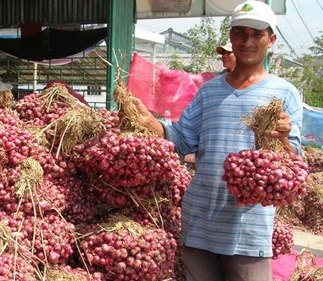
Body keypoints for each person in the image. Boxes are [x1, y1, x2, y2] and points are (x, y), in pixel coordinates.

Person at [129, 1, 303, 280]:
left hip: (247, 230)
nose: (247, 41)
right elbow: (182, 141)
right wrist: (155, 127)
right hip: (200, 223)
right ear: (231, 36)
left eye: (256, 34)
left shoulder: (285, 92)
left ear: (271, 40)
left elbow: (293, 163)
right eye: (240, 33)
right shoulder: (208, 92)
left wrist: (282, 139)